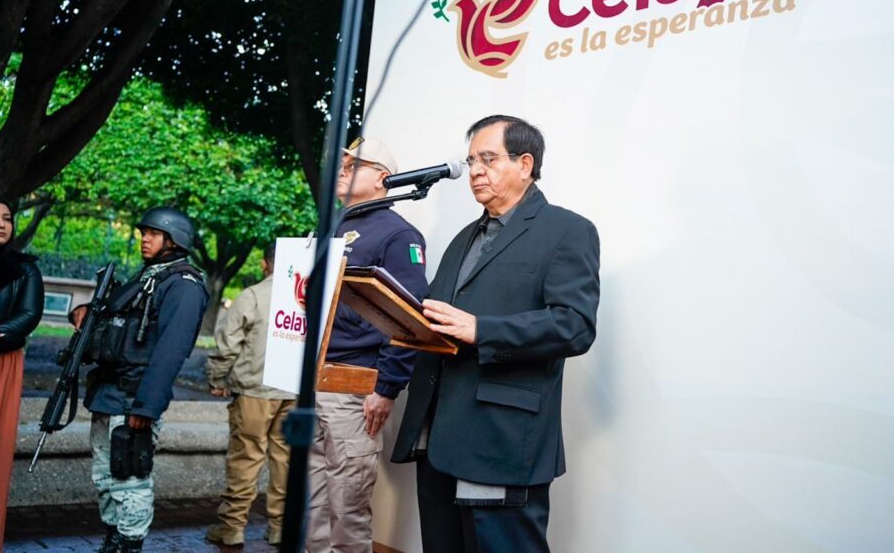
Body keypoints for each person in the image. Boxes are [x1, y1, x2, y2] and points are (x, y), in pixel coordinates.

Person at [391, 115, 601, 553]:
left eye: (488, 159)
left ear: (525, 164)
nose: (475, 171)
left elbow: (574, 325)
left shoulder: (567, 230)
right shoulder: (463, 238)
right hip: (436, 435)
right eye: (471, 161)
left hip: (500, 439)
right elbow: (441, 317)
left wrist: (481, 329)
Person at [306, 137, 428, 553]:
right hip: (314, 381)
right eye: (341, 165)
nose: (342, 171)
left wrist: (386, 388)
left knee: (347, 508)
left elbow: (407, 317)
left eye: (353, 165)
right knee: (313, 505)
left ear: (382, 177)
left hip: (354, 388)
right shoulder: (332, 228)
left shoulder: (398, 235)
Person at [72, 207, 209, 553]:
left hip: (134, 400)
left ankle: (129, 545)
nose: (144, 239)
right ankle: (113, 540)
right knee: (105, 477)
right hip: (108, 394)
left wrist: (146, 407)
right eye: (143, 233)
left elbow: (171, 352)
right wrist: (84, 311)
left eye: (153, 233)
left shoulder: (184, 285)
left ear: (174, 240)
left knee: (130, 479)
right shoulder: (148, 277)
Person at [205, 241, 295, 547]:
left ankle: (232, 527)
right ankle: (280, 527)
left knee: (245, 457)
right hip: (293, 392)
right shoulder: (306, 297)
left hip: (255, 389)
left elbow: (228, 342)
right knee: (285, 461)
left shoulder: (253, 295)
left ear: (264, 263)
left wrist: (217, 377)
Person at [0, 197, 43, 549]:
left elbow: (29, 314)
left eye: (7, 218)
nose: (1, 223)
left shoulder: (25, 269)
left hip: (1, 361)